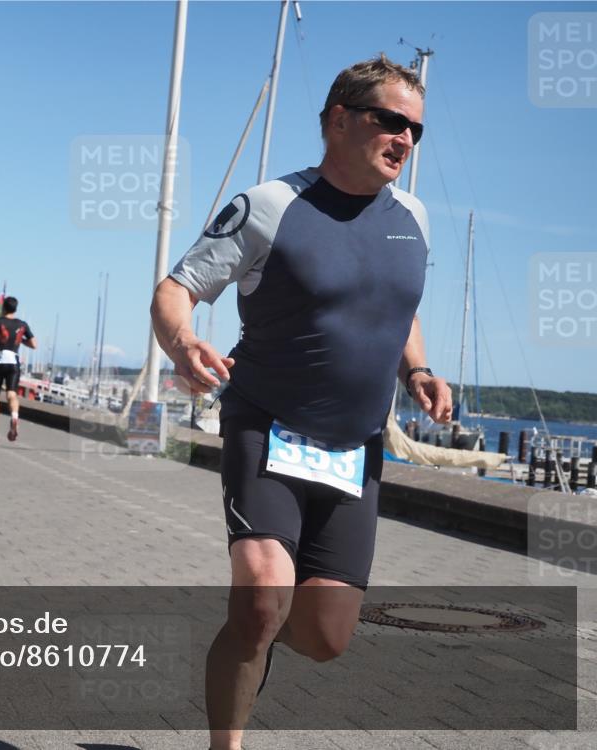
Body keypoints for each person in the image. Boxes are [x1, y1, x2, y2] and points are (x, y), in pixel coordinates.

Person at [150, 54, 453, 749]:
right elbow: (175, 289)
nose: (405, 138)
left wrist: (420, 372)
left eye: (416, 129)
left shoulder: (414, 218)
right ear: (339, 120)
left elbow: (396, 306)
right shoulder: (270, 206)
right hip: (268, 428)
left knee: (325, 638)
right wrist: (182, 341)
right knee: (260, 599)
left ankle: (257, 638)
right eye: (391, 120)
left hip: (354, 451)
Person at [0, 297, 36, 442]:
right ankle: (14, 416)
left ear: (3, 307)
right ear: (15, 308)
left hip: (0, 360)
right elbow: (34, 344)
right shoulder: (22, 324)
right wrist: (20, 340)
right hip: (14, 362)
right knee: (11, 395)